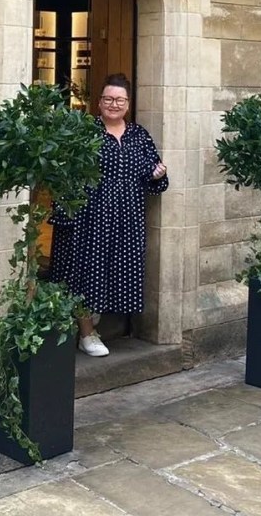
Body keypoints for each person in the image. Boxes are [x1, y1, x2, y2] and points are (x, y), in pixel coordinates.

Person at [50, 73, 168, 357]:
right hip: (91, 216)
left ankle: (92, 317)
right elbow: (65, 172)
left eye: (119, 100)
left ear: (127, 104)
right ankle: (87, 334)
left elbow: (157, 177)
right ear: (99, 102)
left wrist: (156, 173)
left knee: (113, 272)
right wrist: (66, 213)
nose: (113, 104)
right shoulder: (85, 131)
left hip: (126, 218)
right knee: (85, 272)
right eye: (108, 99)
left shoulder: (139, 135)